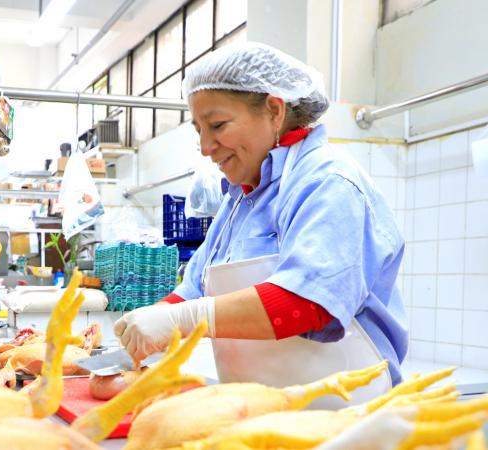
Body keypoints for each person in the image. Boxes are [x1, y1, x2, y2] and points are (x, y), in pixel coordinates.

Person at [114, 43, 407, 406]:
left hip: (342, 415)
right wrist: (150, 318)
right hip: (257, 411)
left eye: (217, 125)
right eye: (199, 129)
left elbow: (309, 303)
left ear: (274, 111)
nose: (205, 146)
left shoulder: (328, 183)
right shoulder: (238, 201)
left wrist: (182, 318)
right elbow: (194, 291)